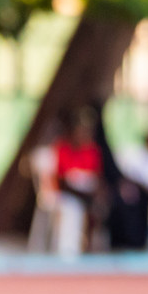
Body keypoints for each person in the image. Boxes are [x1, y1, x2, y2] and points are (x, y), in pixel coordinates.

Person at [53, 108, 103, 258]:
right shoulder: (63, 148)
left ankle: (87, 246)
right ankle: (68, 249)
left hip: (87, 192)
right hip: (68, 192)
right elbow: (60, 176)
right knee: (72, 207)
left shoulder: (92, 150)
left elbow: (96, 175)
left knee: (94, 204)